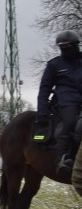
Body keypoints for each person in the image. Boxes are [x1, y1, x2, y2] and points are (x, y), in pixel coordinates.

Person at [36, 30, 82, 176]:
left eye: (68, 45)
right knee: (70, 122)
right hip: (66, 101)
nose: (65, 49)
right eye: (62, 46)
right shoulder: (54, 65)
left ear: (76, 45)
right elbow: (44, 89)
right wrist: (42, 111)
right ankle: (63, 158)